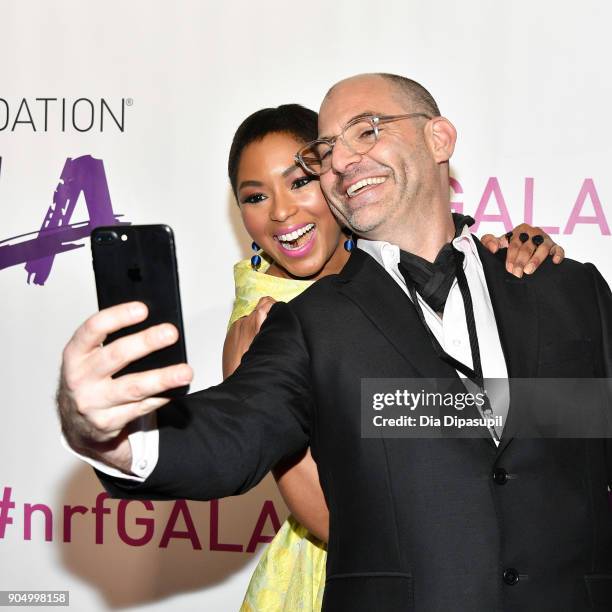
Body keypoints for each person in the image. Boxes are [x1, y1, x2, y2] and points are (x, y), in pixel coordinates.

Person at [57, 74, 612, 611]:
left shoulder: (568, 288)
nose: (342, 161)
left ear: (438, 138)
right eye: (325, 151)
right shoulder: (306, 325)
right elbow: (232, 431)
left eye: (367, 129)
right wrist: (115, 434)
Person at [222, 104, 562, 611]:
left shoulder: (402, 267)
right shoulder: (259, 328)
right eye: (255, 196)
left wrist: (512, 264)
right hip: (362, 575)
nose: (280, 213)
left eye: (299, 182)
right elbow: (321, 511)